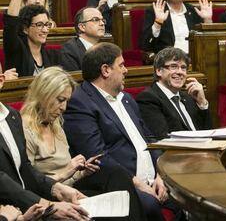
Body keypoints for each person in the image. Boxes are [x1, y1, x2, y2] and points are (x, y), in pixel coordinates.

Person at [63, 43, 176, 221]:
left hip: (154, 180)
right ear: (106, 70)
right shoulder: (80, 103)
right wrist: (136, 183)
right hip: (121, 185)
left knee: (191, 198)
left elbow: (149, 138)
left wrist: (160, 175)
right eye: (121, 65)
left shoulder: (126, 99)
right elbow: (97, 155)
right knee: (150, 205)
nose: (126, 70)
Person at [21, 67, 147, 221]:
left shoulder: (55, 124)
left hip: (70, 189)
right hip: (48, 198)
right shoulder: (24, 129)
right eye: (60, 100)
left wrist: (81, 172)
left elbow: (69, 174)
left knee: (117, 176)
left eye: (67, 101)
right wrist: (66, 172)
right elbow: (27, 184)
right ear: (43, 94)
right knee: (116, 212)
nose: (64, 108)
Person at [0, 71, 91, 220]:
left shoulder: (12, 116)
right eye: (60, 99)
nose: (63, 107)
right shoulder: (24, 121)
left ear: (1, 80)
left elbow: (25, 169)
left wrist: (56, 189)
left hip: (27, 207)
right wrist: (48, 205)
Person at [136, 47, 212, 139]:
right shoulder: (148, 98)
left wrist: (202, 103)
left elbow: (208, 132)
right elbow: (163, 138)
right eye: (173, 66)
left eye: (183, 68)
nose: (180, 72)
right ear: (159, 71)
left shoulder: (188, 97)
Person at [141, 0, 212, 55]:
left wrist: (207, 20)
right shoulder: (155, 11)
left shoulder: (193, 10)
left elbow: (207, 42)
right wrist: (158, 22)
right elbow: (146, 45)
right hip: (169, 58)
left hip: (195, 57)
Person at [61, 7, 105, 71]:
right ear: (82, 27)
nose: (102, 23)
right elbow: (74, 79)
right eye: (95, 20)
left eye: (103, 20)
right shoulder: (69, 50)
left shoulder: (105, 48)